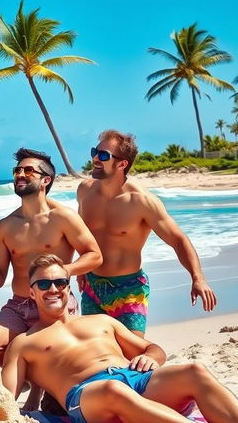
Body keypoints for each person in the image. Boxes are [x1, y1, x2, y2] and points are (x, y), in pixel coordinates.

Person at [2, 254, 238, 423]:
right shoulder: (23, 343)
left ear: (68, 287)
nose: (53, 289)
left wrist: (151, 356)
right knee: (113, 388)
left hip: (135, 380)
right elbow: (4, 398)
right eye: (44, 284)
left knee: (195, 370)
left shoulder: (101, 320)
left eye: (60, 282)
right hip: (90, 399)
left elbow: (152, 348)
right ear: (32, 292)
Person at [77, 130, 217, 335]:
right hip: (92, 286)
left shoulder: (141, 201)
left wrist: (198, 278)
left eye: (104, 155)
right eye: (94, 152)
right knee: (94, 352)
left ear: (122, 164)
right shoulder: (85, 190)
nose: (96, 158)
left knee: (131, 354)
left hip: (129, 290)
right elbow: (81, 234)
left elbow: (178, 240)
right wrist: (81, 268)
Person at [0, 148, 102, 365]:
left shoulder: (62, 218)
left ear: (46, 180)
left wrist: (65, 271)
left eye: (28, 170)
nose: (20, 174)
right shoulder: (5, 226)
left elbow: (95, 256)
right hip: (19, 306)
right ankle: (23, 375)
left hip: (55, 302)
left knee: (47, 353)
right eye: (17, 170)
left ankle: (31, 375)